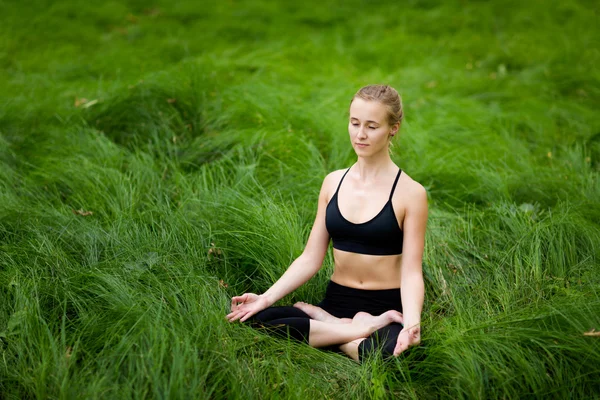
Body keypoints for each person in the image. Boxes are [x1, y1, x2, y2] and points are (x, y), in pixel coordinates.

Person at [227, 84, 428, 362]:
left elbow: (411, 272)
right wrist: (265, 297)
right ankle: (350, 330)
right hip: (337, 299)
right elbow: (311, 257)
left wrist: (411, 324)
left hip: (385, 308)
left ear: (393, 128)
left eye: (372, 126)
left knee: (393, 357)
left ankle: (333, 330)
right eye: (354, 123)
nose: (360, 134)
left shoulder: (411, 193)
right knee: (259, 318)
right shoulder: (333, 182)